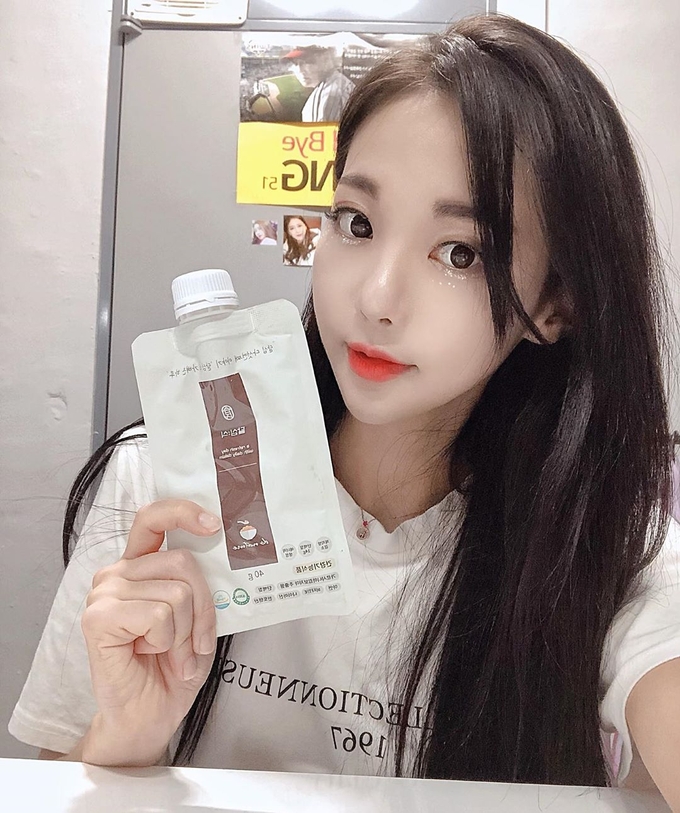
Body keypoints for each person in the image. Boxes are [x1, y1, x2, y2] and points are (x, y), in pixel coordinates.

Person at [9, 14, 680, 808]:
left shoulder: (606, 547)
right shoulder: (160, 486)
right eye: (357, 223)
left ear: (554, 303)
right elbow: (56, 778)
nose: (375, 297)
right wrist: (129, 735)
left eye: (460, 252)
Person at [284, 44, 355, 122]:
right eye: (295, 63)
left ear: (326, 59)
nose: (300, 70)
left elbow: (326, 129)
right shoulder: (332, 84)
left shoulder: (331, 94)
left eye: (307, 62)